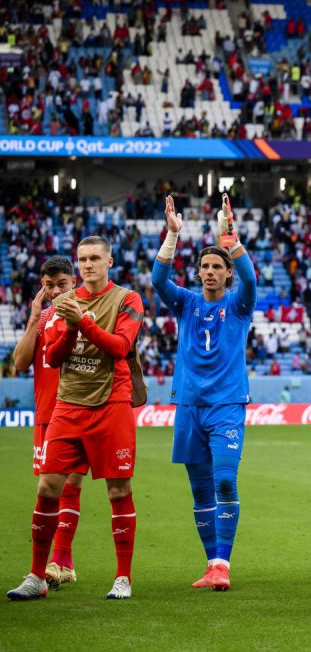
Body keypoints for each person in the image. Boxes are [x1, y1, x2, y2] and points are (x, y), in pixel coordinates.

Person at [8, 236, 146, 602]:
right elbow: (52, 357)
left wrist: (82, 322)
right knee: (47, 489)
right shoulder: (61, 307)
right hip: (68, 407)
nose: (87, 265)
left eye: (94, 259)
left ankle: (122, 578)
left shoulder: (127, 299)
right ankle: (38, 575)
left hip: (112, 405)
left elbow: (120, 347)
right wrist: (69, 326)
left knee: (119, 491)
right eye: (82, 259)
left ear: (110, 261)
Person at [152, 194, 257, 592]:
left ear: (227, 274)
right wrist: (173, 236)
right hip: (189, 406)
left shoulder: (240, 304)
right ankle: (211, 562)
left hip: (227, 405)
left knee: (225, 482)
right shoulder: (186, 303)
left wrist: (230, 238)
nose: (209, 272)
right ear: (197, 274)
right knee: (199, 489)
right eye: (205, 267)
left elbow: (251, 279)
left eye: (217, 267)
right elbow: (159, 281)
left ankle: (223, 564)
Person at [11, 256, 80, 588]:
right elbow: (19, 363)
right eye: (48, 285)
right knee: (49, 490)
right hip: (45, 414)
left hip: (78, 411)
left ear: (73, 282)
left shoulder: (85, 312)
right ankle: (61, 564)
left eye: (61, 284)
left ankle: (59, 560)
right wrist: (34, 318)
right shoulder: (43, 320)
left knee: (71, 485)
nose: (55, 291)